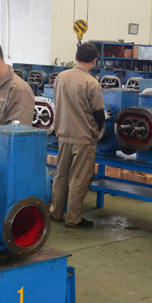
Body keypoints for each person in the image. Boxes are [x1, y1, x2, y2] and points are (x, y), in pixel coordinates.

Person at [50, 43, 105, 229]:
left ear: (75, 56)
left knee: (61, 175)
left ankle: (55, 212)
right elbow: (98, 112)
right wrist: (100, 128)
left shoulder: (60, 78)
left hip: (63, 133)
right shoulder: (91, 83)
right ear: (95, 60)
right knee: (79, 178)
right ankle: (73, 218)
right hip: (83, 137)